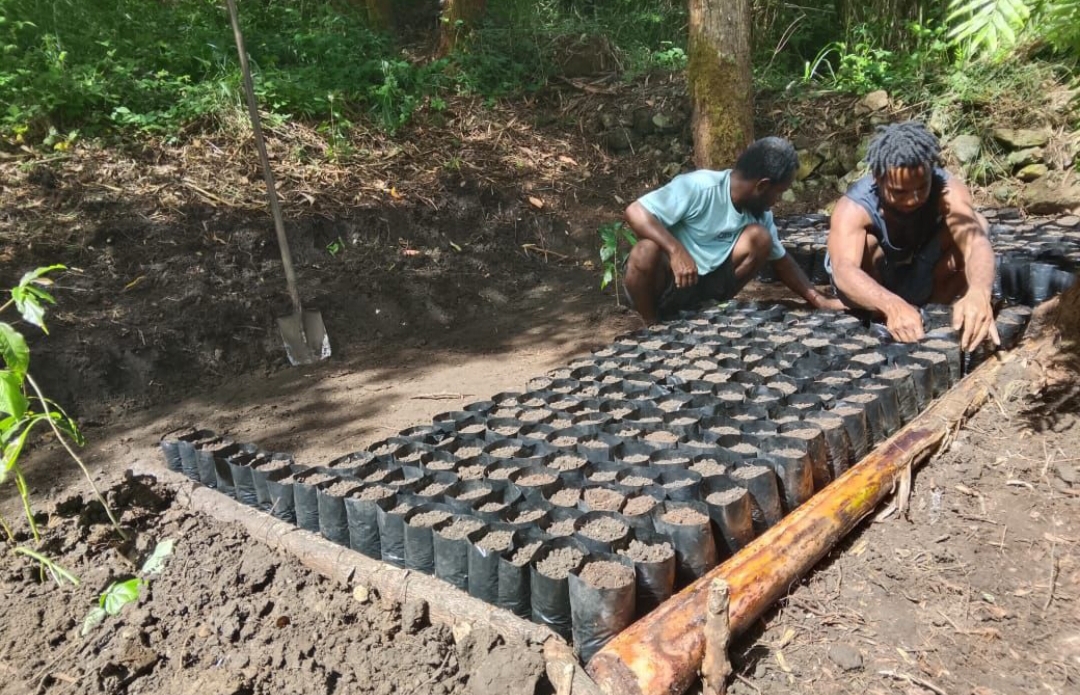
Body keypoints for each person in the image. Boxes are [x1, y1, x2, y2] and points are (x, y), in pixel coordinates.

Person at [623, 136, 844, 324]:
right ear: (762, 185)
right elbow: (635, 211)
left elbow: (782, 261)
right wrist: (675, 250)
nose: (777, 201)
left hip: (706, 285)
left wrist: (818, 300)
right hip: (670, 282)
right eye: (778, 192)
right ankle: (651, 324)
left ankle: (707, 310)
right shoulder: (700, 187)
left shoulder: (760, 214)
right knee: (645, 250)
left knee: (760, 238)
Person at [826, 121, 998, 351]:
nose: (912, 200)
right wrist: (891, 305)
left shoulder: (948, 190)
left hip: (920, 273)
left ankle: (933, 314)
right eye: (900, 192)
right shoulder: (854, 207)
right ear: (878, 178)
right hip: (876, 287)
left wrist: (979, 291)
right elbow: (844, 271)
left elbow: (975, 243)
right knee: (866, 243)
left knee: (977, 224)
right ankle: (881, 318)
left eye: (921, 188)